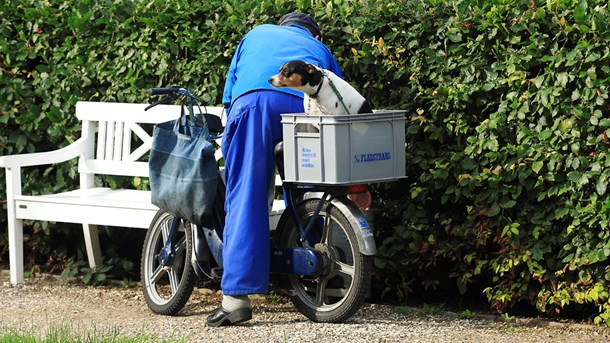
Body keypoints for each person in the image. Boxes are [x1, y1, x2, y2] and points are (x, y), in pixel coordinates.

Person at [207, 12, 343, 327]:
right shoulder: (319, 49)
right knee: (309, 182)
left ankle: (235, 300)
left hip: (255, 105)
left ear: (282, 28)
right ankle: (310, 258)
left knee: (247, 194)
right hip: (303, 109)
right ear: (315, 35)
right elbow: (338, 98)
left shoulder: (255, 34)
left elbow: (230, 96)